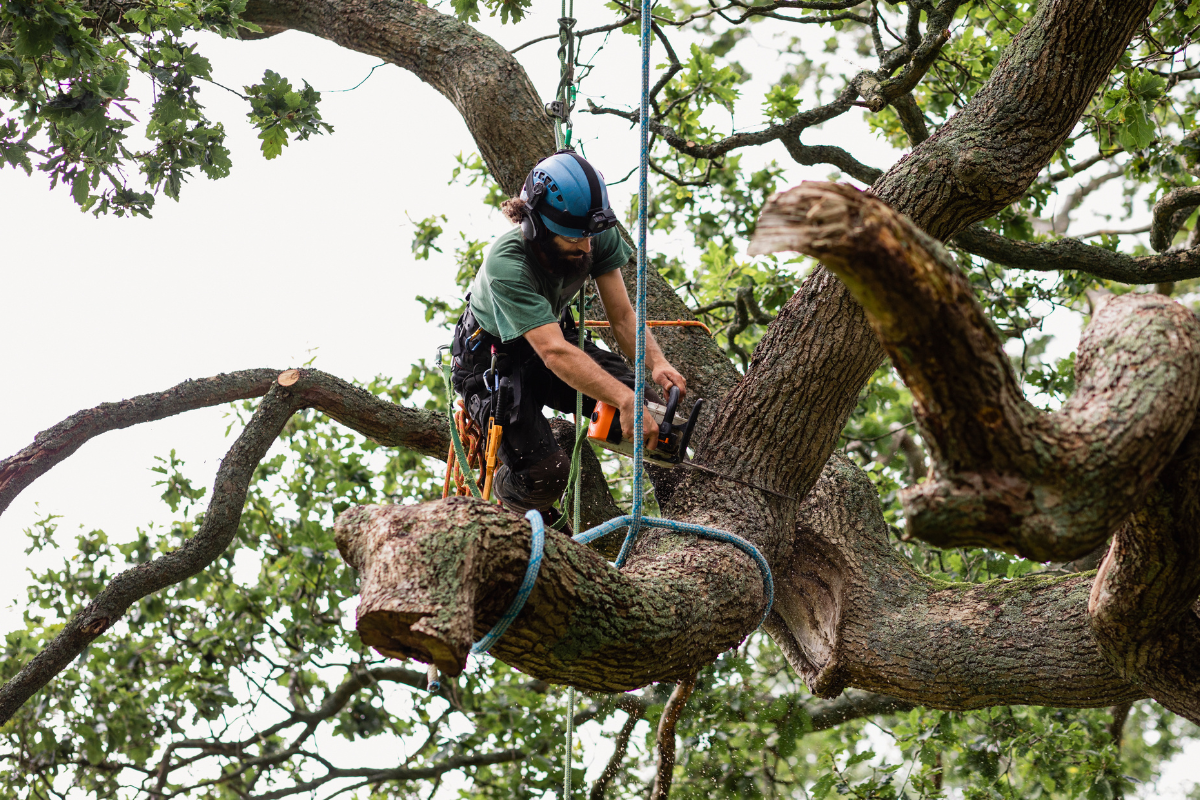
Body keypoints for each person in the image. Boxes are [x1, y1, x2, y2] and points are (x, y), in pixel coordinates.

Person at [451, 149, 687, 522]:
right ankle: (508, 492)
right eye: (574, 238)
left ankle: (685, 510)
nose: (586, 247)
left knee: (653, 414)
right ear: (535, 227)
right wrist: (623, 399)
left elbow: (623, 317)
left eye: (590, 236)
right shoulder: (507, 264)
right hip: (494, 363)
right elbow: (554, 354)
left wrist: (656, 363)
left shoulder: (589, 231)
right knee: (545, 474)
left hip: (554, 341)